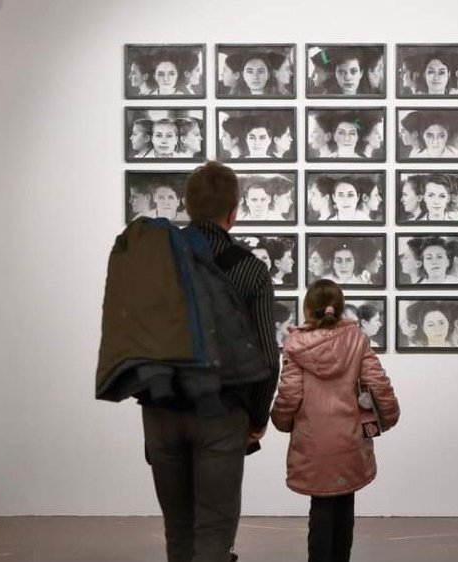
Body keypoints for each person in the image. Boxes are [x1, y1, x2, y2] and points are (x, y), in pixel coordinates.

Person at [141, 161, 280, 562]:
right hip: (222, 414)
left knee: (178, 532)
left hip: (161, 412)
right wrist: (256, 417)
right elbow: (268, 360)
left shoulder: (153, 262)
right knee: (214, 535)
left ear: (186, 205)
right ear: (233, 211)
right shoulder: (250, 271)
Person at [271, 280, 400, 562]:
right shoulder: (356, 338)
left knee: (320, 507)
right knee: (345, 503)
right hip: (350, 437)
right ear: (340, 309)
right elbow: (377, 383)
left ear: (308, 309)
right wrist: (389, 417)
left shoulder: (296, 345)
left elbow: (290, 394)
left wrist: (281, 421)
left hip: (313, 439)